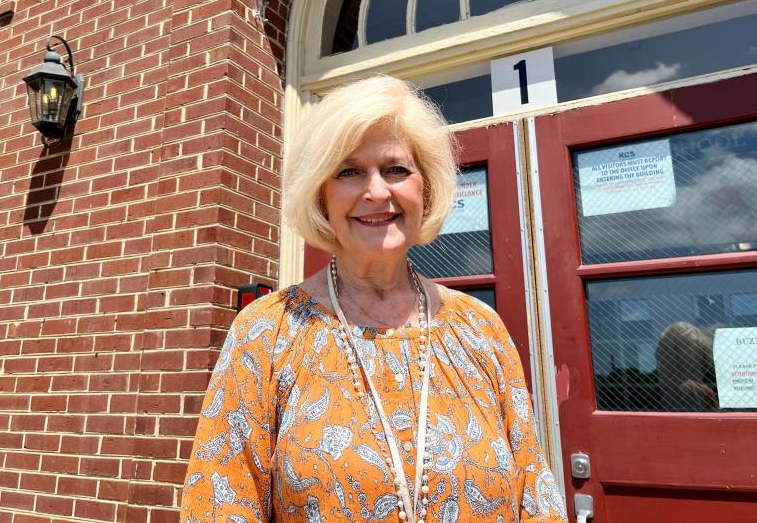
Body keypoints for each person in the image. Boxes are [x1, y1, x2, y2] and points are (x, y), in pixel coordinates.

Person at [180, 75, 567, 522]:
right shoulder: (267, 332)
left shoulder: (480, 329)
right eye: (349, 171)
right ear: (321, 195)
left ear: (426, 187)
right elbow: (220, 503)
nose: (377, 192)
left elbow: (536, 497)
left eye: (396, 169)